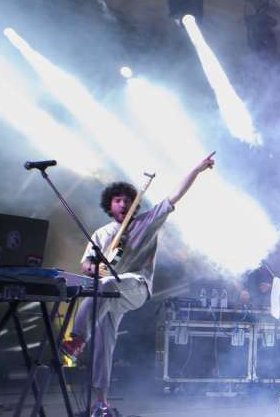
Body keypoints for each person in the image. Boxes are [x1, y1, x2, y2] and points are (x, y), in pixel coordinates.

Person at [60, 153, 216, 415]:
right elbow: (85, 264)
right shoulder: (101, 233)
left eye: (127, 200)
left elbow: (174, 196)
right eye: (117, 200)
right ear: (109, 206)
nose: (123, 204)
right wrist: (93, 268)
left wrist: (196, 170)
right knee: (104, 345)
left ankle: (76, 340)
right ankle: (101, 402)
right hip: (109, 294)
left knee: (106, 286)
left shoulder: (147, 222)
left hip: (136, 287)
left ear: (135, 204)